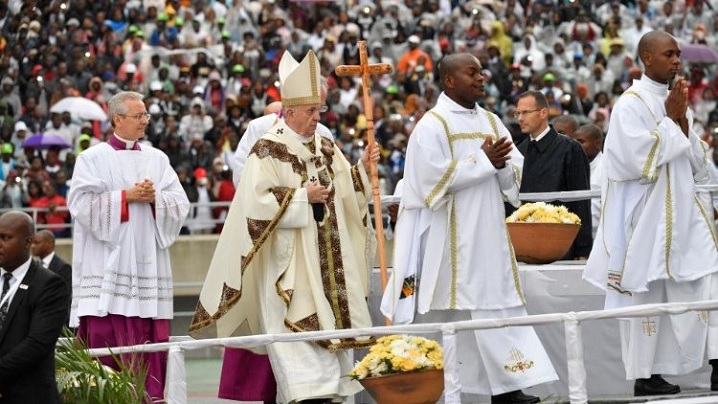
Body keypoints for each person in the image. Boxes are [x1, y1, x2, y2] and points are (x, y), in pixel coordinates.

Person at [189, 50, 378, 404]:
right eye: (310, 111)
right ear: (288, 112)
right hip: (288, 268)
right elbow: (254, 204)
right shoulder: (267, 149)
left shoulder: (324, 143)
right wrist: (302, 197)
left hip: (326, 268)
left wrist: (362, 170)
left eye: (319, 110)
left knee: (335, 377)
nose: (316, 117)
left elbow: (345, 191)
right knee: (305, 377)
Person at [381, 53, 557, 404]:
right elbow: (427, 182)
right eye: (472, 72)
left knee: (494, 305)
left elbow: (514, 175)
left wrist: (502, 166)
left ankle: (506, 388)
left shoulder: (491, 120)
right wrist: (482, 162)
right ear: (449, 80)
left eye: (481, 71)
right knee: (450, 315)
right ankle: (433, 387)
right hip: (448, 236)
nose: (481, 77)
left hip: (488, 231)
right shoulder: (433, 125)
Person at [583, 31, 718, 397]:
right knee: (646, 296)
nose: (676, 61)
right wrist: (672, 122)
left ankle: (717, 363)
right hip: (648, 218)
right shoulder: (630, 103)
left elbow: (696, 162)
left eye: (677, 54)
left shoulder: (676, 100)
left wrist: (682, 125)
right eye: (668, 54)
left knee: (706, 279)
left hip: (683, 213)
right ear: (646, 57)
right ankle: (645, 374)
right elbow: (634, 161)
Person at [67, 91, 190, 401]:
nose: (144, 121)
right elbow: (79, 206)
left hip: (148, 261)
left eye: (146, 115)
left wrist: (155, 199)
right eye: (139, 116)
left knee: (148, 343)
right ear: (117, 119)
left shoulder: (157, 158)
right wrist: (125, 197)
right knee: (109, 343)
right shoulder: (92, 158)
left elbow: (180, 204)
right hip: (109, 264)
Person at [513, 91, 593, 259]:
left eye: (525, 112)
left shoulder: (570, 149)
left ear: (543, 113)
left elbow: (580, 200)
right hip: (523, 247)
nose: (520, 118)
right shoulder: (518, 151)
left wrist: (583, 249)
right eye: (517, 113)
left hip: (561, 245)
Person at [0, 211, 69, 402]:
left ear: (28, 242)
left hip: (29, 395)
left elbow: (36, 345)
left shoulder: (49, 284)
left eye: (5, 238)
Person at [567, 124, 604, 237]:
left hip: (596, 234)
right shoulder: (573, 165)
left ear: (597, 144)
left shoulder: (605, 167)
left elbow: (596, 208)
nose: (576, 146)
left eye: (581, 142)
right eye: (574, 142)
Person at [32, 229, 72, 325]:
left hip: (56, 323)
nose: (32, 246)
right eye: (32, 243)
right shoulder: (33, 266)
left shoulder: (63, 267)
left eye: (37, 243)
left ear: (50, 244)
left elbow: (66, 297)